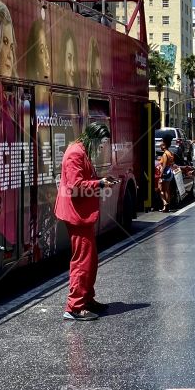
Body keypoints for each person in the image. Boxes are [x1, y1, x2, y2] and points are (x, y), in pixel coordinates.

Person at [55, 120, 113, 320]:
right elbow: (75, 185)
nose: (102, 147)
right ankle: (74, 307)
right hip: (77, 214)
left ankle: (86, 298)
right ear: (93, 137)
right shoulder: (75, 153)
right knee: (82, 260)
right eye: (101, 142)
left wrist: (101, 182)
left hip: (82, 214)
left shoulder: (82, 151)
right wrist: (99, 183)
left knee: (91, 259)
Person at [157, 132, 178, 213]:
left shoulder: (165, 154)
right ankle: (167, 207)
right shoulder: (171, 153)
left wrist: (160, 175)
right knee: (167, 190)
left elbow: (164, 165)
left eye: (162, 142)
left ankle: (165, 203)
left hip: (165, 173)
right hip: (170, 173)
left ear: (164, 144)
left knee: (160, 189)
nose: (160, 144)